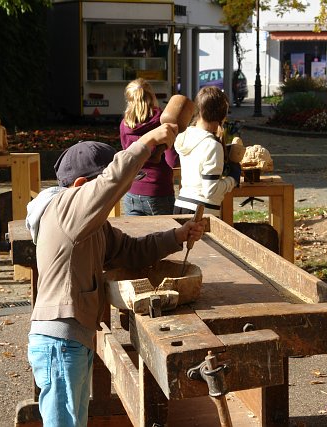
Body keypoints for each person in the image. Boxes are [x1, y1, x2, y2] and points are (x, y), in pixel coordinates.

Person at [25, 128, 206, 426]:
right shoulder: (64, 210)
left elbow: (130, 251)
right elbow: (113, 179)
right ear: (81, 186)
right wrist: (147, 141)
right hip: (60, 342)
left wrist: (177, 235)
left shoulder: (90, 226)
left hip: (73, 340)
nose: (116, 198)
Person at [173, 86, 241, 216]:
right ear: (222, 115)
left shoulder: (186, 136)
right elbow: (210, 190)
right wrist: (233, 179)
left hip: (181, 205)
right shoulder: (212, 145)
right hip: (201, 212)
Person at [119, 78, 179, 215]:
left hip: (131, 190)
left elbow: (128, 155)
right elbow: (172, 161)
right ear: (152, 96)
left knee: (133, 230)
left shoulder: (124, 124)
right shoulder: (163, 123)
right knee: (164, 229)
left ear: (129, 100)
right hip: (158, 191)